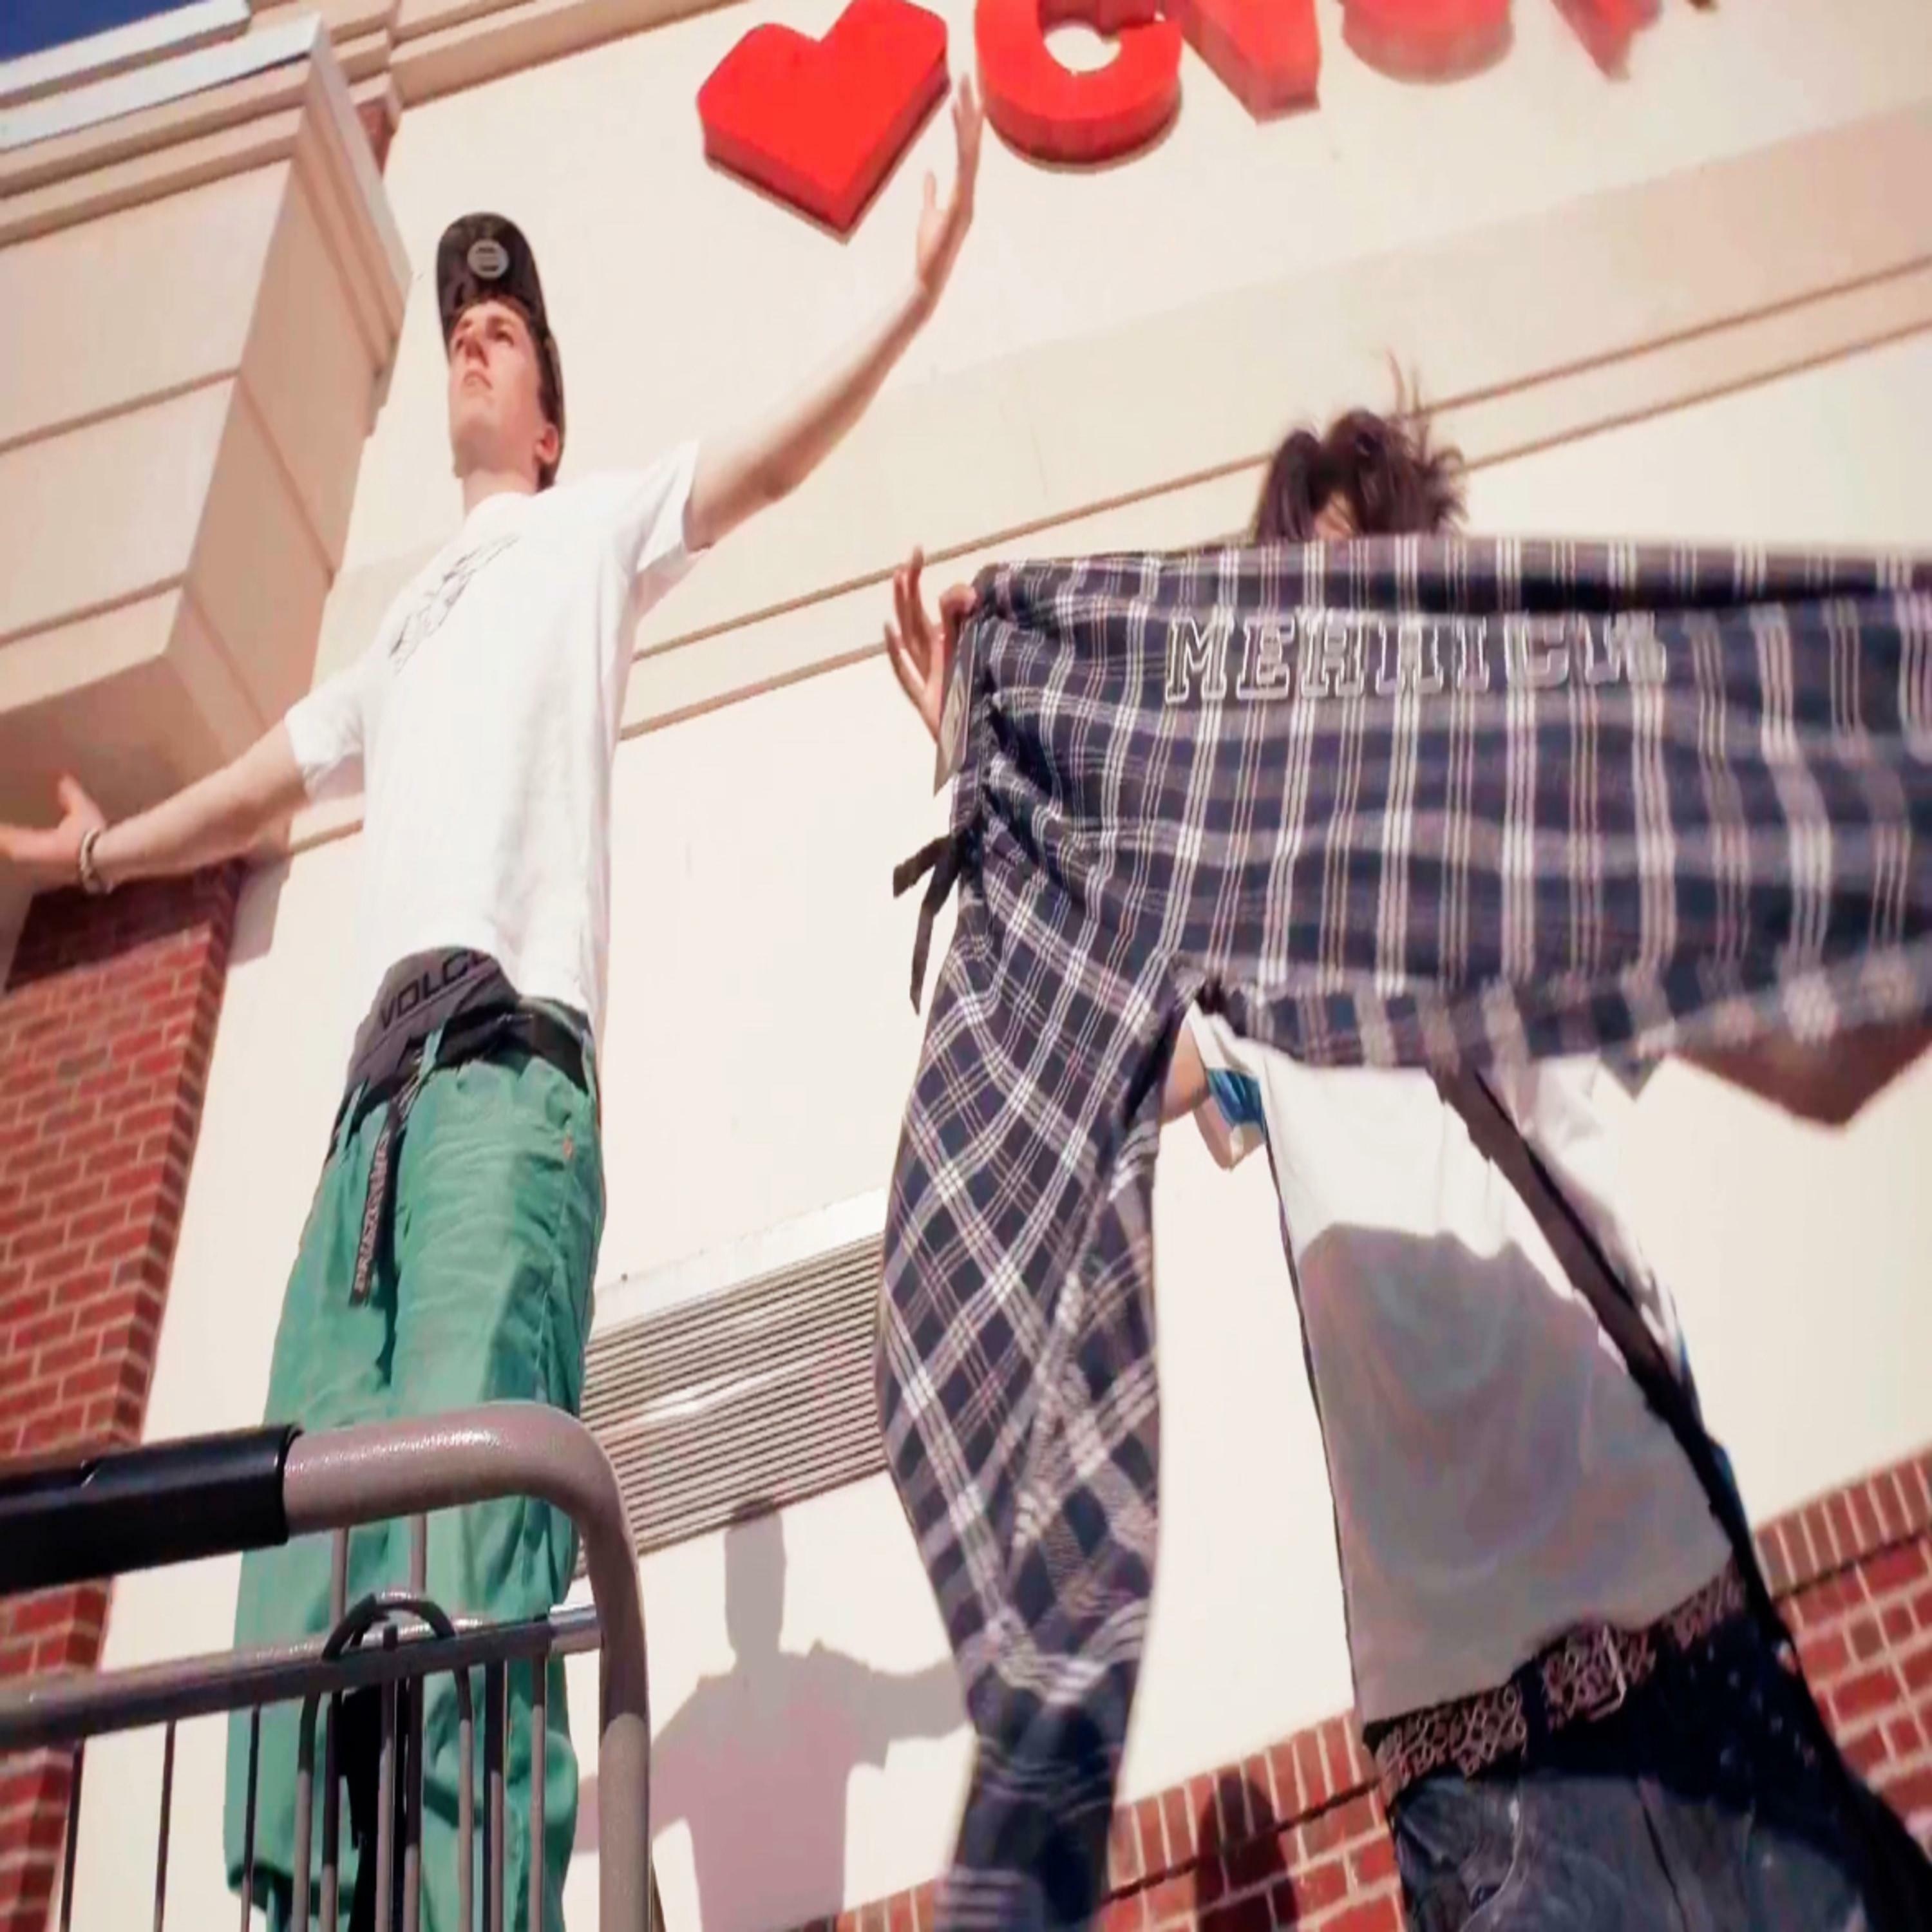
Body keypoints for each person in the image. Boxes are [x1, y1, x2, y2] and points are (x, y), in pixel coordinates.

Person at [1, 79, 983, 1932]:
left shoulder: (584, 531)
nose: (474, 330)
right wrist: (104, 855)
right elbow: (261, 786)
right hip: (362, 1132)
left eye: (506, 324)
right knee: (295, 1552)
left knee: (467, 1539)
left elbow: (760, 465)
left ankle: (474, 1912)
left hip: (501, 1081)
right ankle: (312, 1908)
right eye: (461, 316)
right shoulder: (398, 631)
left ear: (545, 422)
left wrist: (908, 298)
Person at [882, 401, 1926, 1929]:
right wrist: (991, 787)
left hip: (1704, 1670)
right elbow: (1072, 1064)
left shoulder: (1556, 879)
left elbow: (1817, 1064)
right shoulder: (1242, 969)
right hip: (1490, 1798)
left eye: (1390, 602)